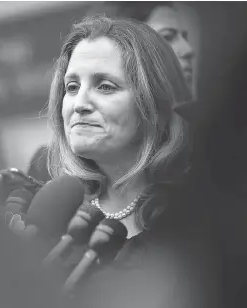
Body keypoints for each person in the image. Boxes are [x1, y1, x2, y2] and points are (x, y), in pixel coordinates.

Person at [45, 15, 212, 307]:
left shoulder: (201, 216)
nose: (80, 103)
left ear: (154, 106)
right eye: (71, 87)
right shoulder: (54, 213)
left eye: (105, 86)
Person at [27, 1, 198, 184]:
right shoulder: (50, 170)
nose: (188, 50)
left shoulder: (209, 151)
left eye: (106, 87)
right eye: (167, 36)